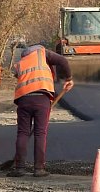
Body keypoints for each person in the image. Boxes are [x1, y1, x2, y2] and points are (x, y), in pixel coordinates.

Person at [7, 44, 74, 177]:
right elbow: (63, 61)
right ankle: (39, 169)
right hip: (41, 98)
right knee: (40, 133)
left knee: (23, 133)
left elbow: (19, 77)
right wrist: (69, 78)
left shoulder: (21, 62)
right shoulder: (42, 53)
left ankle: (19, 167)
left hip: (23, 99)